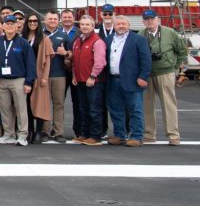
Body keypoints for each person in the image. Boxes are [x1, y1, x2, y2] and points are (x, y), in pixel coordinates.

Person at [139, 10, 187, 145]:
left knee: (169, 105)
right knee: (147, 105)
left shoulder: (169, 32)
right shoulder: (141, 34)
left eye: (152, 19)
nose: (149, 21)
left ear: (158, 19)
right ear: (143, 21)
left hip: (165, 73)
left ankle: (173, 135)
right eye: (146, 19)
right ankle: (149, 134)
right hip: (147, 74)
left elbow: (182, 51)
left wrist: (176, 68)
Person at [106, 15, 152, 147]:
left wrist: (143, 76)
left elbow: (146, 59)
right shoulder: (109, 39)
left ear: (128, 25)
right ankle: (120, 135)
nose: (121, 26)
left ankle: (137, 136)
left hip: (132, 81)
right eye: (118, 24)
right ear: (114, 26)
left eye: (123, 24)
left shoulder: (138, 39)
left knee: (135, 109)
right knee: (116, 110)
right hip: (113, 80)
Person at [0, 15, 36, 146]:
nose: (10, 26)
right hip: (1, 80)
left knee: (21, 108)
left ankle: (22, 135)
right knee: (5, 108)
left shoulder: (23, 43)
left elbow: (30, 63)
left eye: (12, 24)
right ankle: (8, 134)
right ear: (4, 26)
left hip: (18, 80)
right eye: (7, 24)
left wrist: (29, 81)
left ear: (17, 26)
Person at [68, 15, 106, 146]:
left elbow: (100, 62)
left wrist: (93, 76)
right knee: (83, 108)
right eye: (82, 24)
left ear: (92, 26)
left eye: (87, 24)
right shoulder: (78, 41)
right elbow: (74, 61)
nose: (84, 26)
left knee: (94, 109)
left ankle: (95, 136)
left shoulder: (98, 41)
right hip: (80, 80)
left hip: (93, 81)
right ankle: (85, 134)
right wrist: (74, 75)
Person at [42, 11, 71, 142]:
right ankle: (44, 131)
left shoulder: (63, 36)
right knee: (44, 104)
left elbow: (71, 54)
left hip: (59, 74)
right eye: (50, 18)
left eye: (55, 19)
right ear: (45, 20)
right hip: (43, 75)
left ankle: (58, 131)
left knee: (58, 104)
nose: (52, 21)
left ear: (58, 20)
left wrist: (65, 53)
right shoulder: (40, 34)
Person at [24, 14, 54, 144]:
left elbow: (47, 60)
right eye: (30, 21)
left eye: (35, 21)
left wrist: (45, 78)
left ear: (38, 23)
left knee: (40, 105)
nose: (32, 23)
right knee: (27, 105)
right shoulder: (23, 37)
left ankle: (38, 132)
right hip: (25, 76)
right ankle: (30, 131)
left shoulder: (44, 39)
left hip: (39, 76)